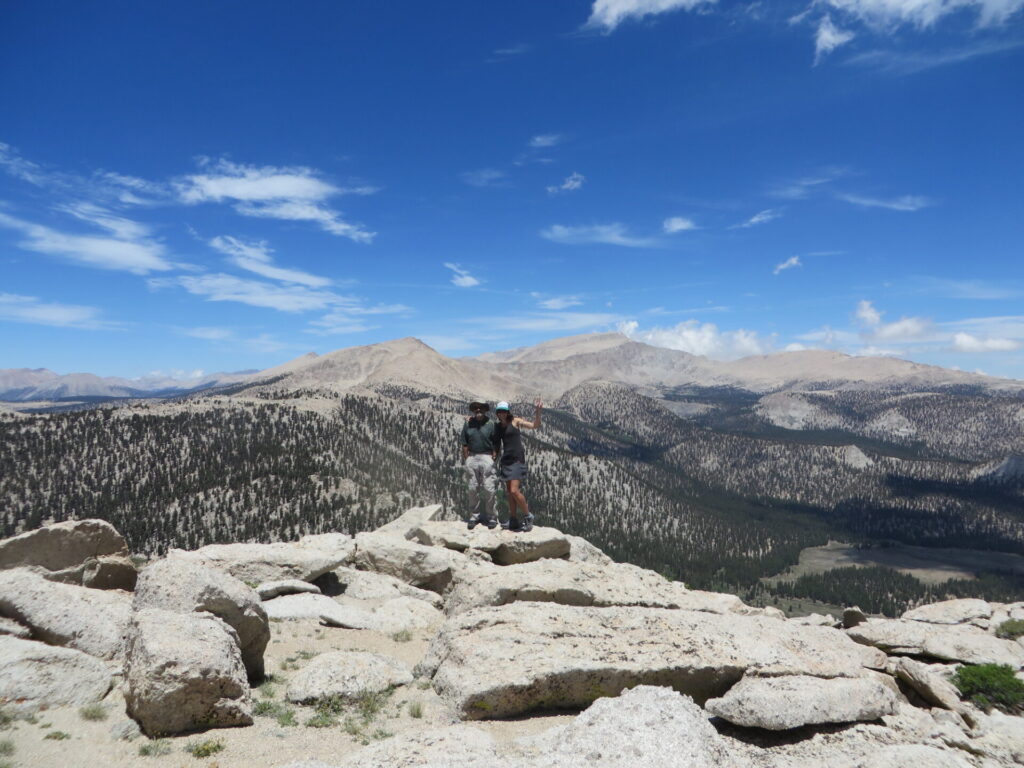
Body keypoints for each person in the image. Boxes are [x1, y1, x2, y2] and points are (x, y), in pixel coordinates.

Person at [494, 399, 542, 533]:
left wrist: (538, 412)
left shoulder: (515, 421)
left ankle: (528, 516)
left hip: (517, 460)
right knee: (509, 492)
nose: (502, 414)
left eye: (504, 411)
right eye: (500, 412)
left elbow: (534, 425)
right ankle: (513, 519)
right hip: (506, 460)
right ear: (497, 413)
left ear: (507, 412)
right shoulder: (498, 426)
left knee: (514, 491)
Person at [459, 401, 498, 529]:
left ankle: (492, 517)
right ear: (473, 410)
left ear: (485, 409)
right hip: (472, 457)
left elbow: (496, 443)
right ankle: (474, 516)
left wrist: (493, 458)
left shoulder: (491, 424)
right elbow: (464, 443)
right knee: (472, 488)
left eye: (480, 407)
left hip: (487, 457)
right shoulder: (468, 423)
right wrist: (467, 459)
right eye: (476, 408)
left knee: (489, 488)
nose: (478, 409)